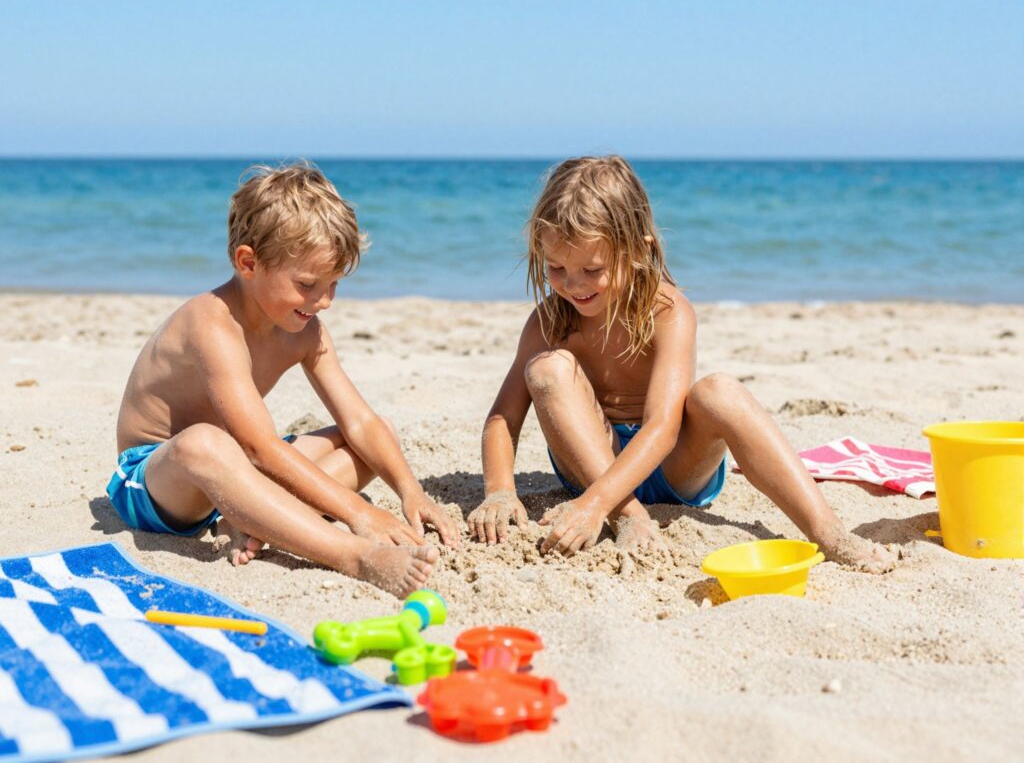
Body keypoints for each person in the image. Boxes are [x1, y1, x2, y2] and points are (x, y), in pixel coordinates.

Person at [467, 155, 895, 572]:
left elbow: (663, 427)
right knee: (547, 369)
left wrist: (596, 504)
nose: (572, 284)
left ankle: (829, 533)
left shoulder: (667, 311)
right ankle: (629, 514)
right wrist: (501, 490)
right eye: (555, 267)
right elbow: (504, 416)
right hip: (589, 465)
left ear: (637, 250)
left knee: (719, 391)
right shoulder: (549, 321)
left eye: (591, 269)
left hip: (674, 467)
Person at [107, 163, 458, 597]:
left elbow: (360, 422)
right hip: (159, 482)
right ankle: (351, 555)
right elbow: (258, 447)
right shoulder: (211, 323)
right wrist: (357, 515)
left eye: (334, 285)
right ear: (248, 263)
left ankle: (252, 515)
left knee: (375, 437)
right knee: (206, 442)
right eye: (308, 284)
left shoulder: (306, 330)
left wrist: (410, 491)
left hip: (236, 473)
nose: (324, 301)